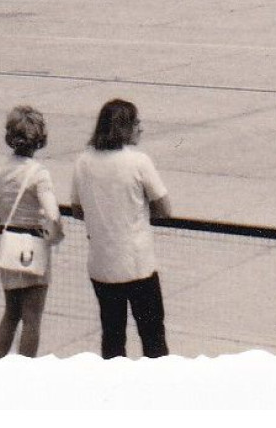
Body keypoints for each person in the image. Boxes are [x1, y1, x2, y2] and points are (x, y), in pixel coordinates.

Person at [70, 98, 172, 359]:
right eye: (136, 122)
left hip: (102, 264)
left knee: (112, 337)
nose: (141, 128)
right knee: (153, 336)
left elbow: (78, 209)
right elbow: (164, 208)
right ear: (124, 127)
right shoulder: (139, 162)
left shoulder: (83, 161)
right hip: (137, 265)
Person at [0, 105, 64, 358]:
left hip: (7, 242)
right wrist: (54, 237)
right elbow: (52, 214)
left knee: (11, 313)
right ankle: (24, 372)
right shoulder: (39, 174)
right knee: (32, 318)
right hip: (34, 244)